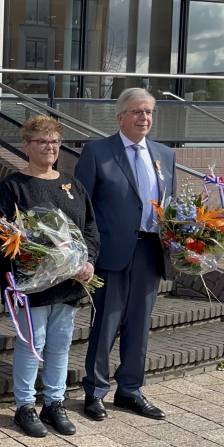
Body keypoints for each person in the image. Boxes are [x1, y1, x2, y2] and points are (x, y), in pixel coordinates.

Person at [0, 116, 100, 438]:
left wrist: (88, 261)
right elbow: (1, 233)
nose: (50, 147)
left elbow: (90, 228)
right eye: (42, 141)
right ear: (26, 145)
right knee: (32, 345)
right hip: (31, 284)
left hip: (68, 284)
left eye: (54, 141)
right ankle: (24, 406)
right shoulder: (13, 186)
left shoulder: (72, 184)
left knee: (60, 344)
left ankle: (54, 403)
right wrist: (40, 258)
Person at [75, 88, 176, 423]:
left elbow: (170, 207)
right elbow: (81, 208)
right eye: (136, 112)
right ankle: (95, 392)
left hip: (151, 251)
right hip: (111, 253)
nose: (143, 118)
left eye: (148, 112)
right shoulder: (98, 152)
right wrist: (85, 254)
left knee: (139, 326)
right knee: (106, 323)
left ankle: (130, 391)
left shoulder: (164, 155)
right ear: (120, 117)